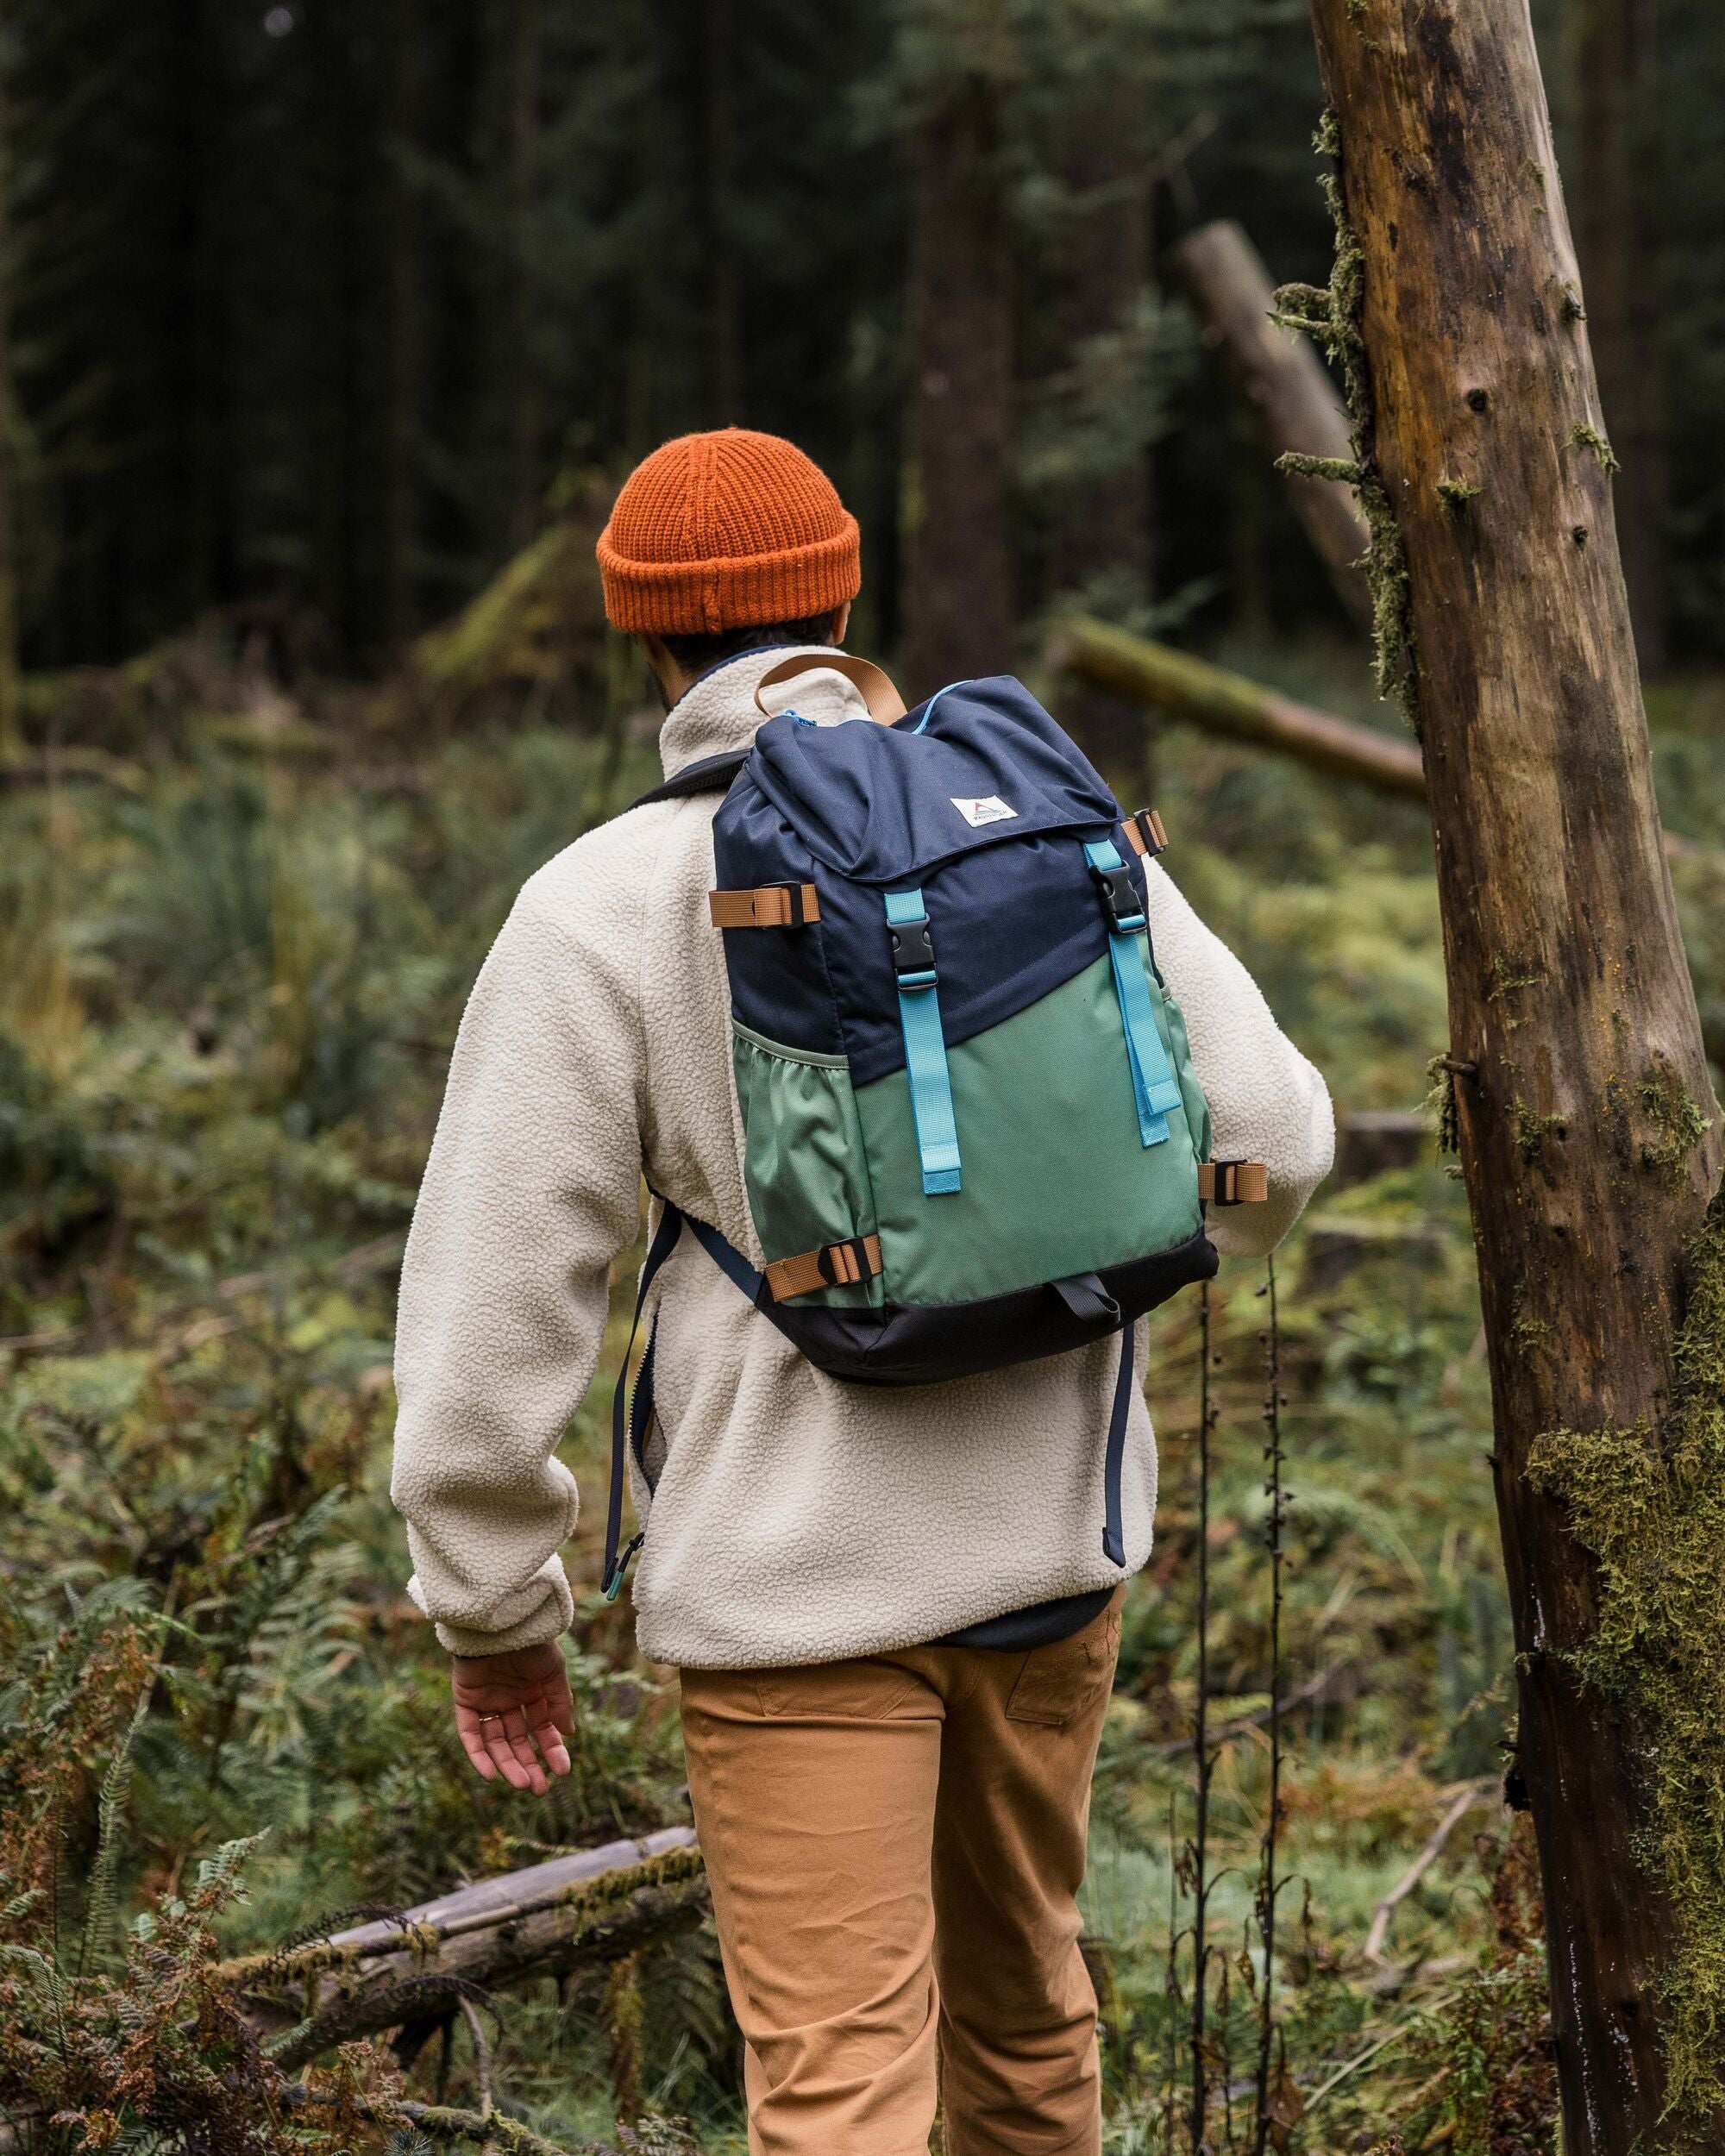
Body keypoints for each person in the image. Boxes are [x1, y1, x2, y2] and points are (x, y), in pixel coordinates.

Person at [391, 426, 1333, 2156]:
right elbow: (1277, 1133)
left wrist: (494, 1614)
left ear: (644, 644)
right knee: (1031, 2030)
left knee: (839, 2093)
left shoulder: (596, 906)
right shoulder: (1038, 817)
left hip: (792, 1596)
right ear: (841, 595)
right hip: (1055, 1562)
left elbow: (488, 1320)